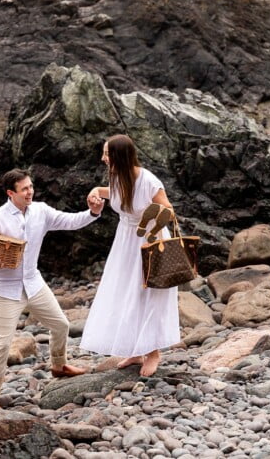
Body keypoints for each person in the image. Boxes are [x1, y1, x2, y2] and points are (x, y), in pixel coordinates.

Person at [0, 168, 105, 409]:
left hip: (33, 282)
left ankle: (59, 366)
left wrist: (93, 212)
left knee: (61, 325)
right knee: (2, 343)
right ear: (10, 193)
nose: (30, 192)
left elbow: (70, 221)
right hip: (5, 289)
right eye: (24, 189)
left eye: (31, 187)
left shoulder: (41, 211)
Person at [81, 134, 179, 377]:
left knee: (149, 294)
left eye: (106, 154)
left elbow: (168, 211)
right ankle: (134, 350)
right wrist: (96, 191)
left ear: (120, 157)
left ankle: (153, 352)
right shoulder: (116, 176)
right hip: (125, 242)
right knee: (126, 293)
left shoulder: (147, 180)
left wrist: (148, 222)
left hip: (150, 240)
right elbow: (112, 194)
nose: (102, 158)